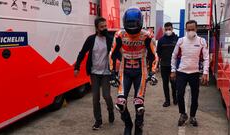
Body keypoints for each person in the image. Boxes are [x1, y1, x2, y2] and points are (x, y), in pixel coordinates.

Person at [109, 7, 158, 135]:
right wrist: (112, 73)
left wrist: (152, 72)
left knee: (139, 103)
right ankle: (128, 124)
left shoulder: (147, 35)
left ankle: (138, 126)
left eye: (134, 25)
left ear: (140, 23)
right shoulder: (119, 35)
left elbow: (154, 55)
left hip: (140, 71)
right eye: (129, 25)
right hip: (124, 71)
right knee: (120, 103)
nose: (132, 29)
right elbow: (112, 54)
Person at [74, 17, 114, 130]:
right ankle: (98, 121)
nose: (104, 28)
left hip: (106, 72)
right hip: (94, 72)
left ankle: (111, 111)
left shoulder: (110, 39)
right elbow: (82, 53)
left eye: (105, 26)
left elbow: (116, 53)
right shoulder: (91, 39)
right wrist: (77, 66)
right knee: (95, 98)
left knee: (106, 95)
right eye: (102, 27)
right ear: (96, 28)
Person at [170, 20, 209, 127]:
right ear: (186, 29)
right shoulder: (181, 41)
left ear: (196, 29)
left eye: (193, 29)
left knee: (195, 97)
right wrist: (173, 70)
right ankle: (183, 114)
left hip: (195, 73)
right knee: (179, 94)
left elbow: (206, 58)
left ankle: (192, 116)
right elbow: (174, 56)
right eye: (189, 29)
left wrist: (205, 73)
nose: (191, 31)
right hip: (181, 72)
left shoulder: (202, 41)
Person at [157, 22, 179, 107]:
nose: (168, 31)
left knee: (174, 84)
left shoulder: (177, 39)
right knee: (165, 84)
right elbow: (158, 52)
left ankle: (175, 99)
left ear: (172, 29)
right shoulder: (161, 40)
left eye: (169, 29)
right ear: (164, 29)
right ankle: (167, 101)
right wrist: (158, 64)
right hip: (164, 65)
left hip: (173, 66)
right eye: (166, 29)